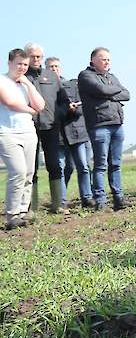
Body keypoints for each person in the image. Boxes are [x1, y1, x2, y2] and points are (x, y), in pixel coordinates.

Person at [78, 47, 130, 212]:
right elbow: (102, 90)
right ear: (93, 59)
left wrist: (109, 93)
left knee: (116, 164)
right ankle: (100, 201)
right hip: (100, 125)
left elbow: (127, 94)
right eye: (103, 59)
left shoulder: (111, 77)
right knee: (100, 165)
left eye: (108, 59)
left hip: (117, 124)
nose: (107, 62)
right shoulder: (86, 76)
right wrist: (112, 92)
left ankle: (118, 198)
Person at [1, 49, 45, 230]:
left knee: (28, 173)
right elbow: (9, 102)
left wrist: (28, 84)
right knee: (17, 172)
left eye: (25, 64)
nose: (22, 67)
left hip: (28, 132)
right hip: (7, 132)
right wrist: (30, 110)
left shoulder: (25, 83)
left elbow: (41, 105)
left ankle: (22, 210)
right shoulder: (2, 80)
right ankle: (11, 214)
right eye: (19, 63)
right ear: (10, 62)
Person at [24, 43, 70, 213]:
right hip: (29, 128)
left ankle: (58, 204)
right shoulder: (21, 77)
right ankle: (31, 207)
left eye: (38, 56)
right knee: (30, 168)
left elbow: (64, 101)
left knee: (54, 165)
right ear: (26, 56)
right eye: (32, 56)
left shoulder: (51, 76)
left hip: (51, 127)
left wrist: (59, 115)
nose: (36, 59)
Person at [47, 58, 93, 209]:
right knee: (60, 168)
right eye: (50, 67)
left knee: (83, 166)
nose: (54, 69)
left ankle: (87, 197)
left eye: (56, 66)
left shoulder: (72, 85)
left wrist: (74, 109)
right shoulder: (43, 88)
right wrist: (67, 109)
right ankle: (61, 201)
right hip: (57, 134)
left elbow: (82, 106)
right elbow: (46, 112)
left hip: (76, 132)